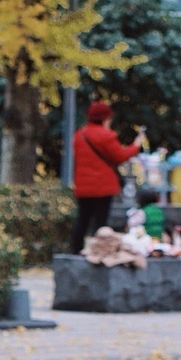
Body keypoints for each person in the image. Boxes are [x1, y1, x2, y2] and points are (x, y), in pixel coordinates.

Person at [70, 100, 147, 252]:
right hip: (103, 186)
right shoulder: (106, 135)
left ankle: (75, 251)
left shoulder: (79, 135)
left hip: (83, 186)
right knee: (100, 223)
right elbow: (120, 156)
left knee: (82, 220)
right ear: (105, 118)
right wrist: (136, 145)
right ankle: (98, 251)